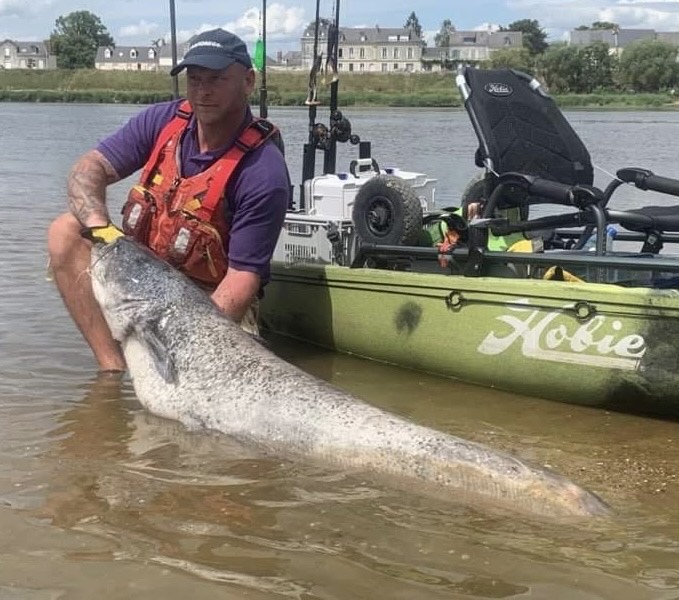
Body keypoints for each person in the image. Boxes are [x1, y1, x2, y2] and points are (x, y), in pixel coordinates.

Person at [47, 28, 291, 373]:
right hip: (143, 279)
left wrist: (188, 341)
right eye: (195, 79)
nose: (203, 92)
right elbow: (88, 168)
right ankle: (113, 371)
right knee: (66, 231)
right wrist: (100, 229)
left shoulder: (263, 171)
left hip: (211, 302)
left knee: (193, 376)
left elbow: (242, 281)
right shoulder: (164, 120)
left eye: (217, 79)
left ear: (248, 81)